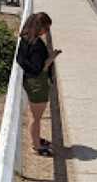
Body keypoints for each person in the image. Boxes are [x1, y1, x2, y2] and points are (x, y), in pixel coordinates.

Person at [16, 12, 61, 157]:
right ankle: (37, 146)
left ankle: (36, 139)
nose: (46, 32)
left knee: (33, 114)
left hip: (29, 81)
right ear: (39, 26)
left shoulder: (24, 38)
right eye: (46, 28)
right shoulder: (37, 45)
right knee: (36, 117)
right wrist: (52, 57)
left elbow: (20, 59)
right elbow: (39, 68)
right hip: (37, 83)